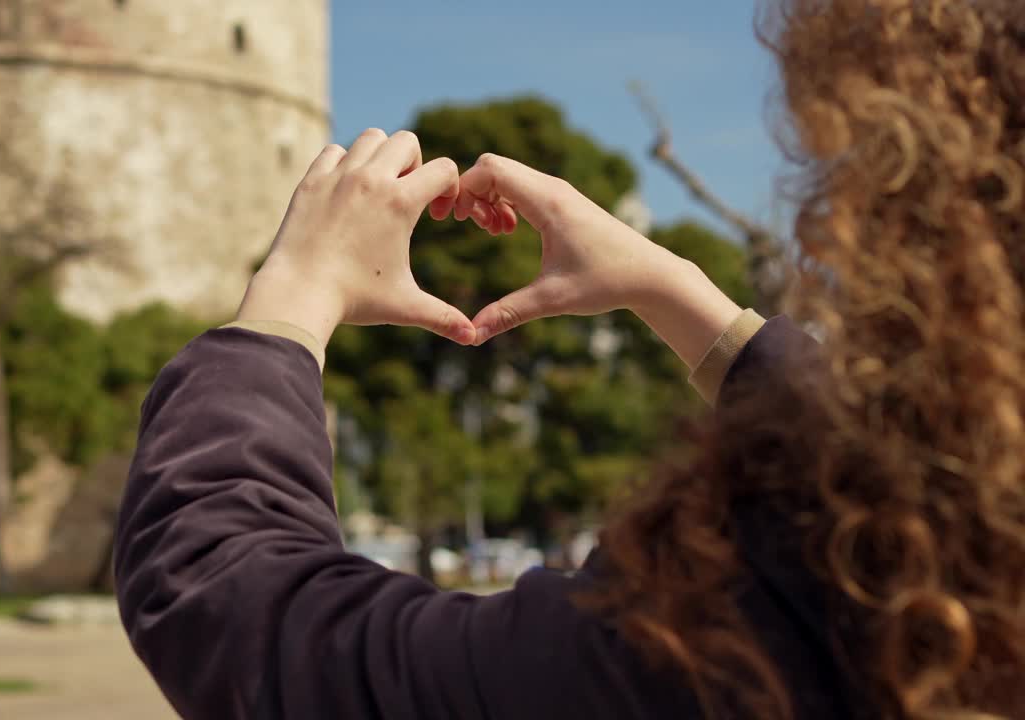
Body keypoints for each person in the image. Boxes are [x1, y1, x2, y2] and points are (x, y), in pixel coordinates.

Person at [113, 0, 1025, 718]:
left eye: (848, 177)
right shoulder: (955, 550)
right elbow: (915, 454)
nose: (821, 230)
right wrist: (689, 303)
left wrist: (291, 300)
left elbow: (261, 626)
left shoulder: (782, 619)